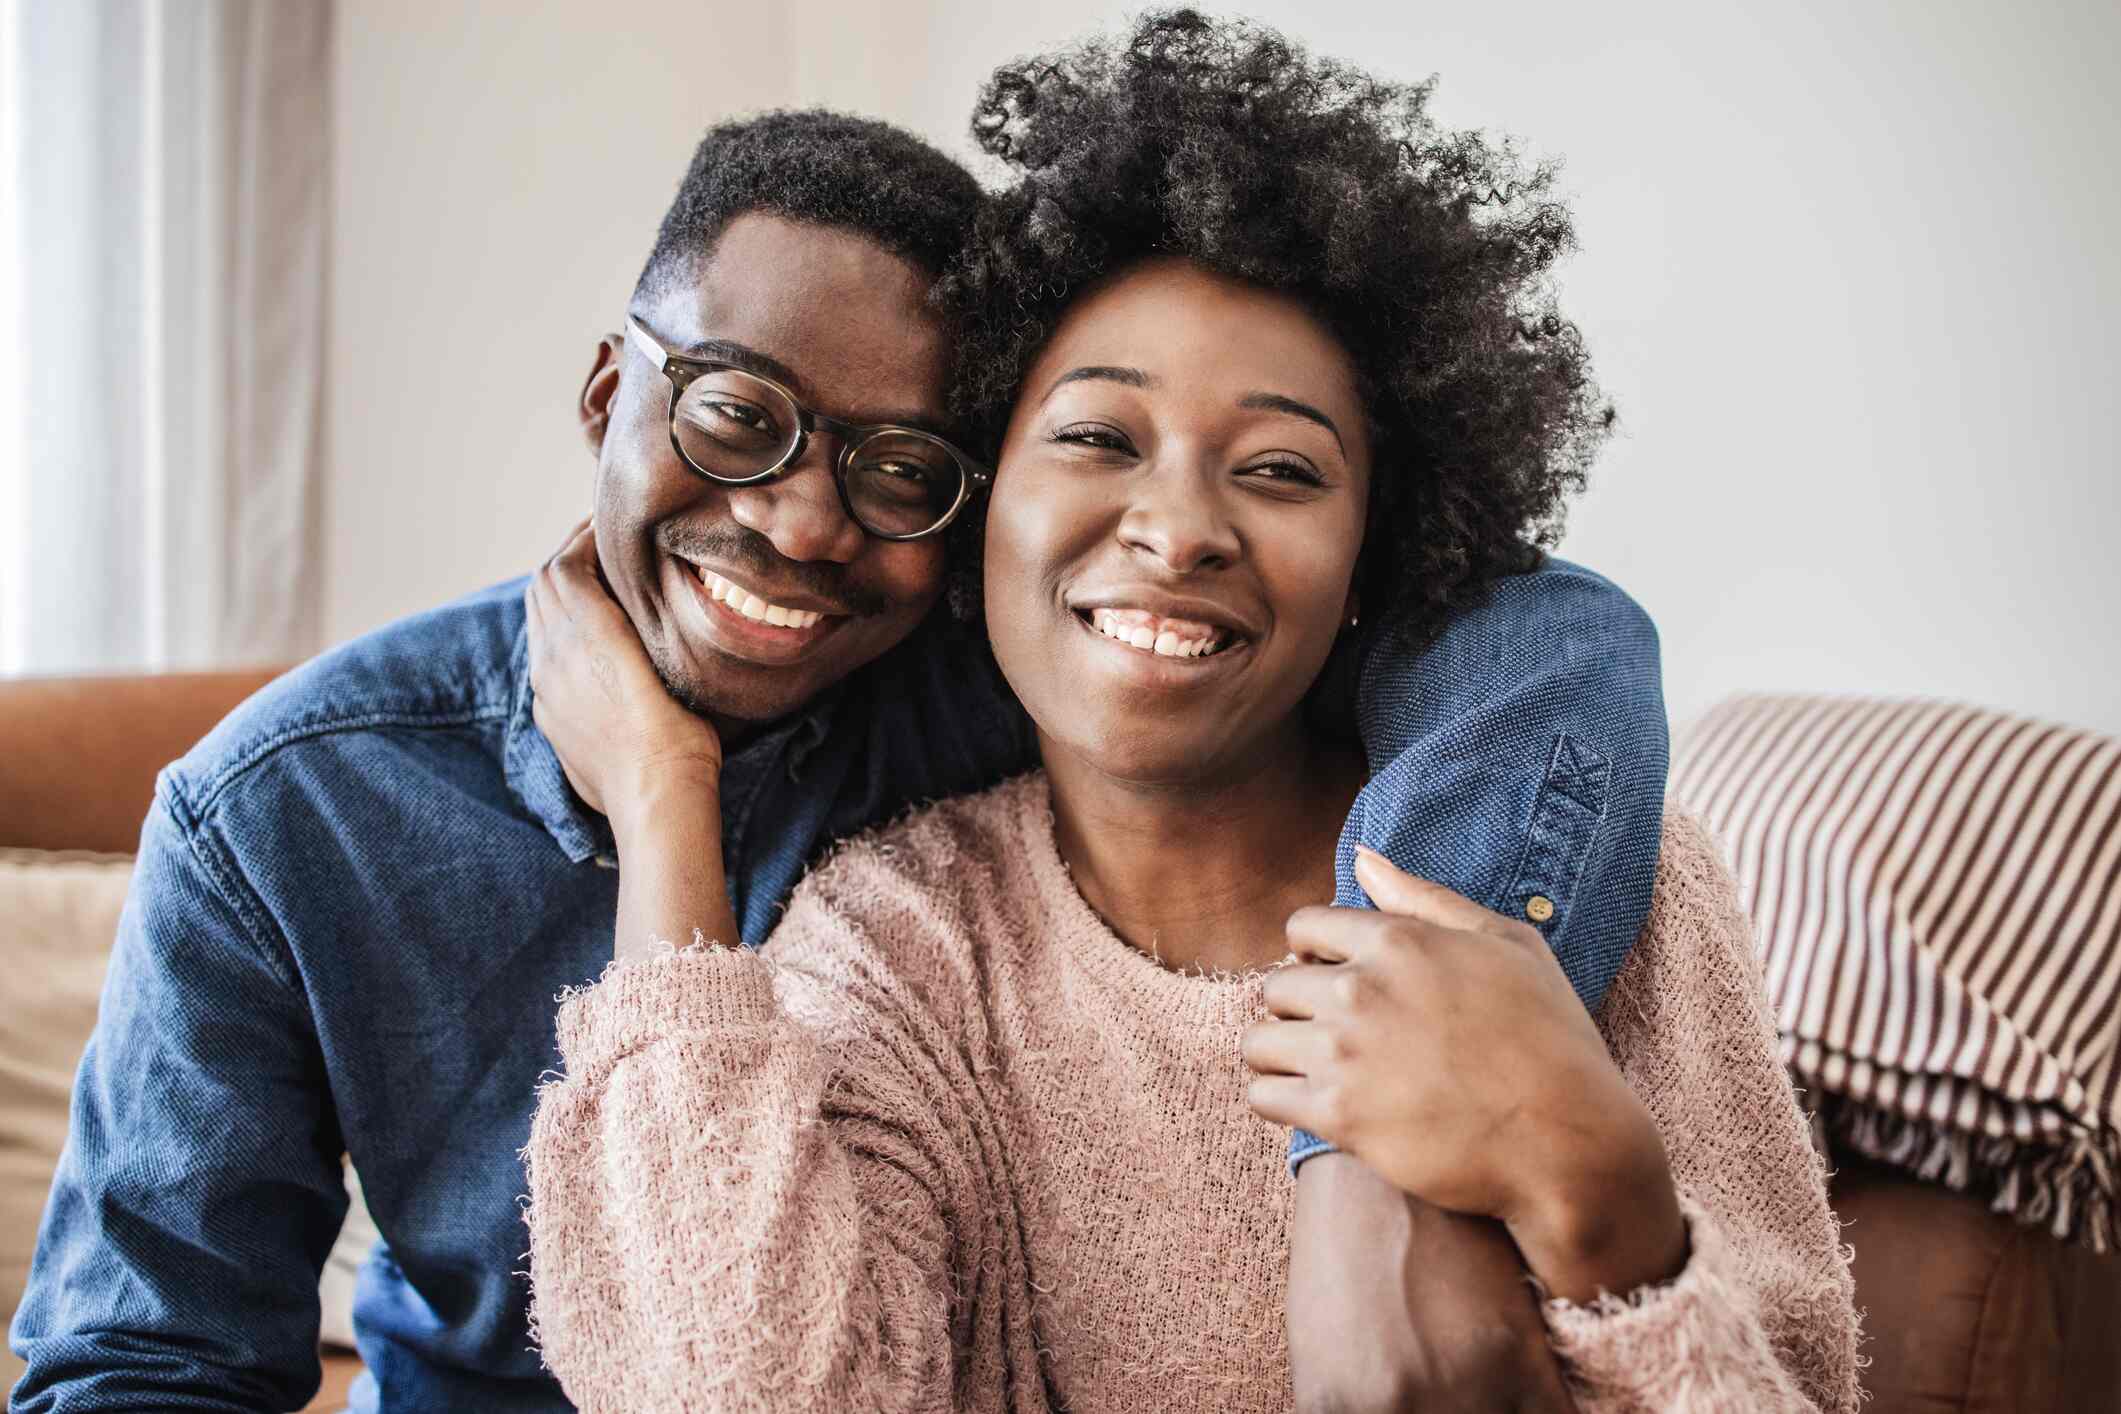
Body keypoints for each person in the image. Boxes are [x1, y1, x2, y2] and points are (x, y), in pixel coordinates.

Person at [9, 109, 1668, 1414]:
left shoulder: (999, 685)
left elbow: (1552, 633)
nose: (801, 522)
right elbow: (138, 1362)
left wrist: (1382, 1159)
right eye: (736, 414)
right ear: (608, 392)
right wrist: (663, 799)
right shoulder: (280, 810)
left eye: (900, 469)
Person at [520, 12, 1861, 1413]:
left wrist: (1605, 1213)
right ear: (979, 512)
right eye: (1097, 438)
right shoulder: (901, 942)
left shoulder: (1624, 894)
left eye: (1280, 469)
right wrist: (665, 800)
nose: (1176, 529)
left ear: (1371, 562)